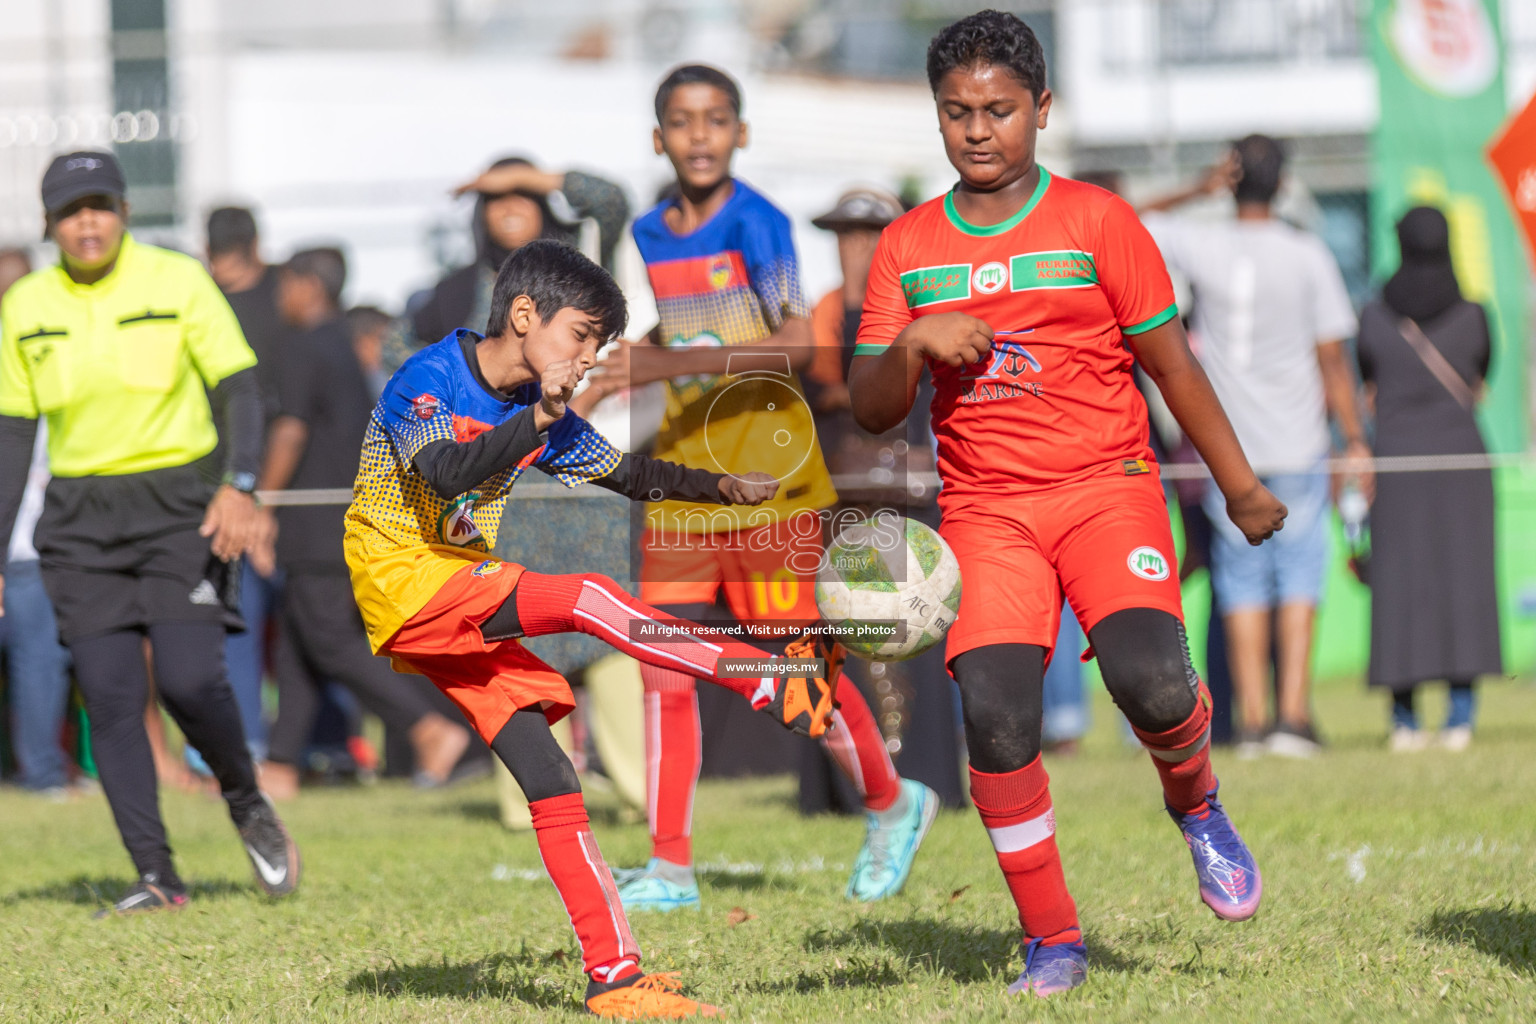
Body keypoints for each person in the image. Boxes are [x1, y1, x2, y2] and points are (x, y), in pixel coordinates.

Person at [848, 13, 1286, 995]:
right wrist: (915, 342)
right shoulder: (909, 246)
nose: (978, 130)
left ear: (1042, 110)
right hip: (988, 513)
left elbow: (1172, 366)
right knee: (998, 720)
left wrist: (1242, 485)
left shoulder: (1098, 220)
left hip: (1106, 492)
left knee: (1155, 685)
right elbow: (874, 410)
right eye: (957, 113)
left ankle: (1199, 801)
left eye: (1000, 110)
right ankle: (1053, 940)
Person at [344, 237, 844, 1017]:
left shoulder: (542, 409)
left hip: (448, 588)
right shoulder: (430, 376)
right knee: (586, 594)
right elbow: (442, 472)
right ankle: (766, 675)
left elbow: (628, 474)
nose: (587, 358)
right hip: (403, 580)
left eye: (599, 346)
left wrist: (722, 488)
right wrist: (541, 416)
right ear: (523, 315)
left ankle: (613, 979)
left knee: (550, 779)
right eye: (581, 337)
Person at [601, 64, 937, 912]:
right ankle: (671, 868)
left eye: (717, 119)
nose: (701, 135)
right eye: (683, 121)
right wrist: (614, 361)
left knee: (798, 669)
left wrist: (664, 360)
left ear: (741, 134)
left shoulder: (761, 221)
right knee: (661, 665)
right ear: (658, 138)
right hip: (684, 479)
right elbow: (682, 333)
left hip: (771, 479)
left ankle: (894, 805)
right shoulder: (649, 231)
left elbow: (794, 345)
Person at [0, 151, 299, 913]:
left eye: (100, 205)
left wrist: (239, 488)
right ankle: (157, 877)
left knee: (191, 677)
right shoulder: (25, 304)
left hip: (181, 507)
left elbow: (239, 390)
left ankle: (245, 798)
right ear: (49, 224)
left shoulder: (177, 280)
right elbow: (11, 437)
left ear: (125, 211)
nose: (87, 222)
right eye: (71, 211)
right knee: (108, 693)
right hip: (79, 521)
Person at [1141, 136, 1368, 758]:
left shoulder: (1204, 242)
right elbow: (1332, 359)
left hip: (1229, 451)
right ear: (1285, 182)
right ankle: (1294, 716)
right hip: (1297, 442)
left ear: (1233, 180)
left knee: (1240, 582)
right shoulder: (1307, 253)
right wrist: (1353, 438)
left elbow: (1124, 218)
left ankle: (1252, 720)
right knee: (1298, 578)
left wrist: (1197, 187)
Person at [251, 247, 473, 798]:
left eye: (286, 285)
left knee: (329, 639)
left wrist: (261, 504)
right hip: (348, 512)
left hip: (317, 519)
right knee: (303, 638)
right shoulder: (341, 347)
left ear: (308, 286)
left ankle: (430, 728)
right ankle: (280, 765)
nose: (281, 298)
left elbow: (290, 430)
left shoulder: (304, 345)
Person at [803, 187, 966, 807]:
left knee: (915, 627)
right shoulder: (825, 311)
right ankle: (852, 788)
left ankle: (922, 778)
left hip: (909, 488)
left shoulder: (920, 307)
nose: (858, 249)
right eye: (846, 236)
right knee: (846, 628)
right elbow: (826, 382)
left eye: (869, 236)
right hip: (842, 491)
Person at [1356, 206, 1501, 752]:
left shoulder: (1373, 315)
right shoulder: (1475, 315)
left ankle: (1404, 720)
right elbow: (1482, 377)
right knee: (1464, 584)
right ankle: (1460, 717)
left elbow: (1367, 380)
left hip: (1395, 460)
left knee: (1398, 584)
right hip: (1463, 461)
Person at [383, 158, 630, 373]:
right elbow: (393, 348)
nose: (510, 208)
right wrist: (460, 377)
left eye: (522, 194)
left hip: (589, 415)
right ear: (482, 215)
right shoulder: (460, 287)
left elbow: (611, 201)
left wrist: (517, 176)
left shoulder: (582, 257)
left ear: (542, 206)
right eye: (497, 199)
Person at [205, 206, 285, 762]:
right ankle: (268, 741)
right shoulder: (284, 297)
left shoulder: (203, 301)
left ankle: (251, 742)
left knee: (237, 619)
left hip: (239, 484)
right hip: (257, 487)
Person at [0, 247, 77, 798]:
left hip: (30, 546)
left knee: (39, 664)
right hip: (26, 543)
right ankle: (40, 772)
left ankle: (42, 772)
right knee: (36, 662)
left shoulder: (52, 355)